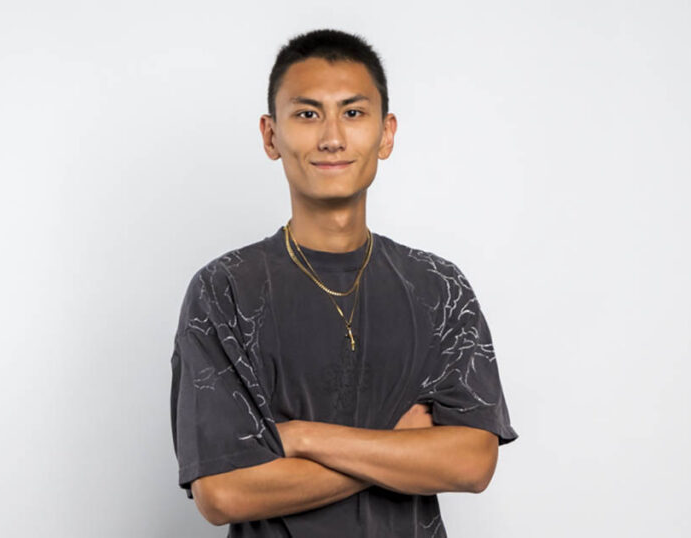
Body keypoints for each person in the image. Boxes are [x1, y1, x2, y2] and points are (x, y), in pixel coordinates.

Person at [169, 28, 518, 537]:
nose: (332, 137)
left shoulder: (438, 287)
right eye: (307, 114)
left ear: (386, 132)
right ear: (271, 135)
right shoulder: (224, 292)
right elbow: (223, 493)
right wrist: (400, 448)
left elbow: (471, 463)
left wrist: (302, 438)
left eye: (353, 113)